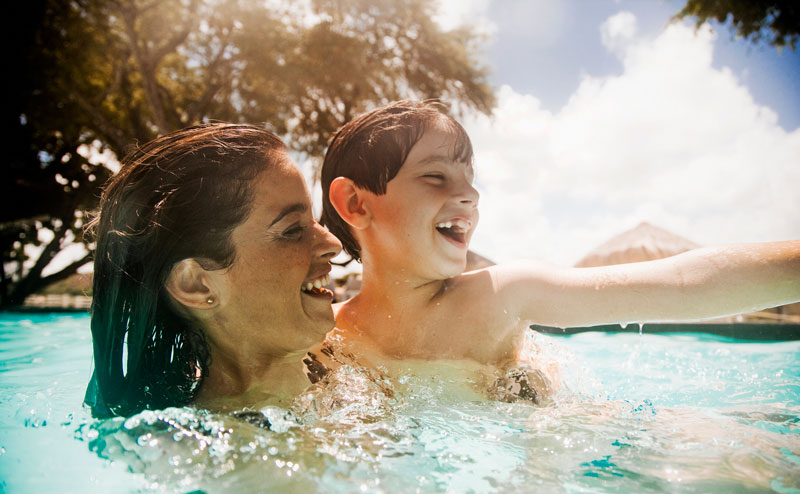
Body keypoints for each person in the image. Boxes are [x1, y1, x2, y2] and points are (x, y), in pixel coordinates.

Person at [317, 100, 800, 401]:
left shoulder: (503, 295)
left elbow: (679, 284)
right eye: (435, 175)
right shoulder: (321, 336)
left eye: (470, 178)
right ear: (356, 203)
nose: (470, 195)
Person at [85, 123, 342, 418]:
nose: (333, 243)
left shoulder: (345, 364)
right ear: (196, 284)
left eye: (314, 220)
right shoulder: (199, 443)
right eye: (292, 230)